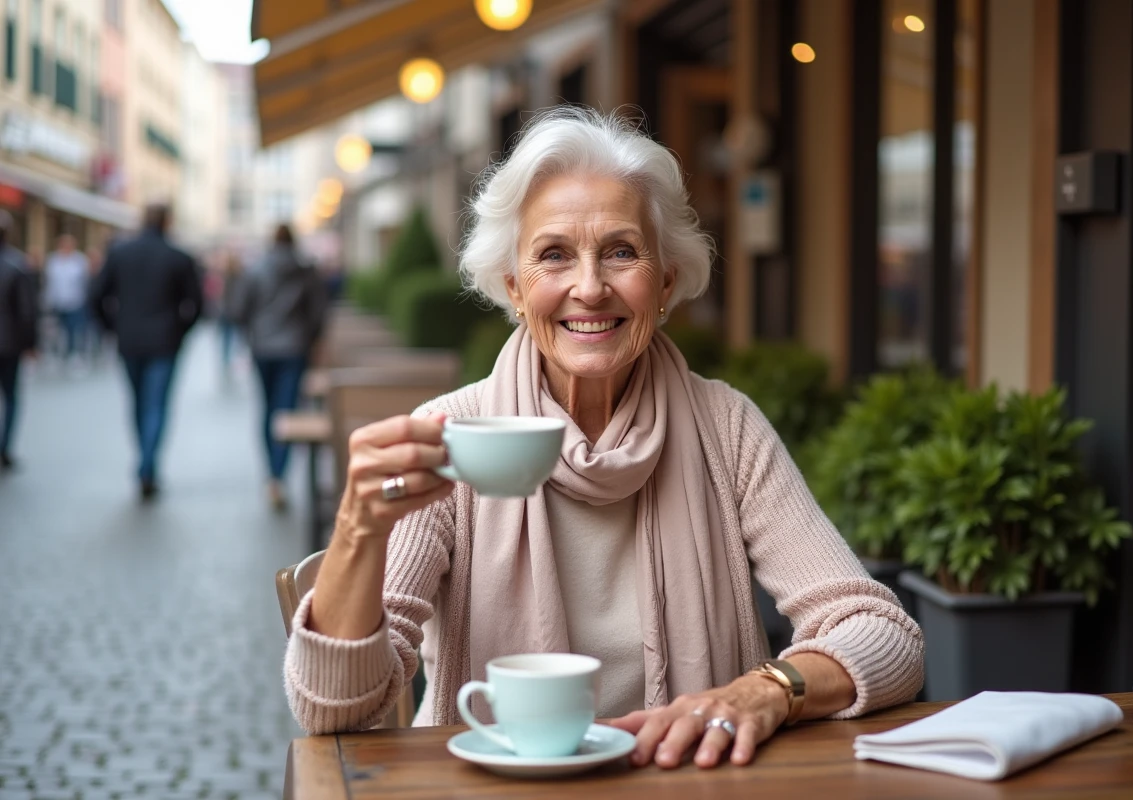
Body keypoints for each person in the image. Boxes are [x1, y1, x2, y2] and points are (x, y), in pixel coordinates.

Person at [282, 110, 924, 768]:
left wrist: (767, 690)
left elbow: (884, 635)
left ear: (667, 282)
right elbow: (337, 709)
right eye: (553, 255)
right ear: (513, 287)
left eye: (621, 251)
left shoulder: (725, 427)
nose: (589, 288)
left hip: (687, 782)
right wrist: (360, 528)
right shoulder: (454, 436)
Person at [90, 203, 203, 500]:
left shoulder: (120, 253)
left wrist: (113, 328)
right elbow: (197, 304)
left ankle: (145, 462)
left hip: (129, 340)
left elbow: (95, 296)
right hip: (164, 342)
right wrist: (179, 330)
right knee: (156, 405)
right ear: (167, 221)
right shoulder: (178, 257)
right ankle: (147, 466)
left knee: (139, 403)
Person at [229, 225, 326, 510]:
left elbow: (239, 310)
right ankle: (278, 475)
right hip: (295, 348)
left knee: (268, 408)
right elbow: (318, 311)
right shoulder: (305, 270)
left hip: (263, 347)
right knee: (286, 407)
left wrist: (253, 333)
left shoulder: (256, 269)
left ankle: (271, 472)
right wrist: (309, 338)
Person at [0, 211, 39, 470]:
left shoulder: (18, 266)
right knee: (11, 396)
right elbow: (27, 311)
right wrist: (30, 344)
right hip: (9, 343)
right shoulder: (17, 265)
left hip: (9, 342)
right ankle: (5, 448)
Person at [43, 234, 91, 365]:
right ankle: (58, 354)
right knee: (56, 330)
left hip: (75, 302)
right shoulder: (53, 260)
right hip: (57, 302)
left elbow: (84, 282)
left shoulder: (80, 260)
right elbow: (49, 282)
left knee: (74, 329)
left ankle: (73, 354)